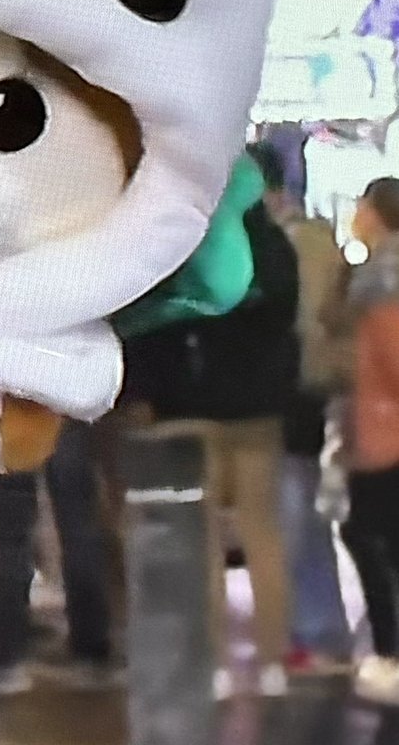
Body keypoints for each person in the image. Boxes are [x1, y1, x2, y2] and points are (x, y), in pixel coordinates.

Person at [122, 193, 300, 699]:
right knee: (263, 534)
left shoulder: (188, 241)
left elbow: (155, 324)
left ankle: (217, 666)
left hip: (190, 405)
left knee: (203, 545)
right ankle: (273, 666)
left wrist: (145, 394)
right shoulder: (271, 243)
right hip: (258, 409)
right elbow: (287, 318)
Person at [248, 142, 353, 677]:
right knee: (301, 512)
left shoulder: (283, 243)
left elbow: (299, 321)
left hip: (287, 393)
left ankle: (311, 632)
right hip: (308, 394)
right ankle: (318, 628)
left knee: (291, 514)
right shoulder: (315, 238)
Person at [0, 419, 120, 696]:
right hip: (67, 406)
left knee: (11, 532)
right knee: (79, 522)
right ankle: (91, 656)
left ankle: (8, 660)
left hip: (16, 410)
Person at [336, 178, 399, 706]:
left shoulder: (382, 280)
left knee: (370, 536)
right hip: (379, 427)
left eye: (362, 205)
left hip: (385, 432)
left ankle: (390, 652)